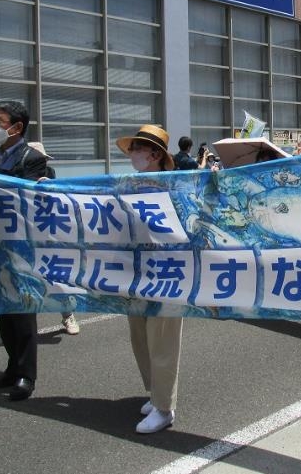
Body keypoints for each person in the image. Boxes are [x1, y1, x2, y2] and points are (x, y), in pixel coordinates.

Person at [0, 100, 51, 402]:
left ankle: (26, 375)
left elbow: (28, 197)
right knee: (2, 307)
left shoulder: (32, 158)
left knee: (22, 310)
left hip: (22, 243)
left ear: (17, 127)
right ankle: (10, 366)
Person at [115, 124, 182, 434]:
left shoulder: (177, 186)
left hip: (169, 272)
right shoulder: (128, 184)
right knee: (139, 336)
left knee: (162, 339)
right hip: (136, 271)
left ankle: (164, 408)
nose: (133, 154)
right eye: (132, 149)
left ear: (155, 154)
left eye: (139, 149)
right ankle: (155, 393)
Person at [26, 141, 80, 336]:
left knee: (57, 276)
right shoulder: (16, 176)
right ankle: (25, 325)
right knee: (25, 279)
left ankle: (68, 315)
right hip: (24, 234)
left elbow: (58, 199)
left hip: (49, 233)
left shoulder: (49, 173)